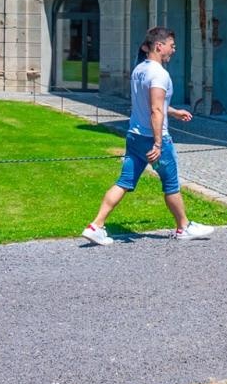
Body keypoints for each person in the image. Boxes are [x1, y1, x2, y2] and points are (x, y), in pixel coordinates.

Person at [83, 26, 214, 246]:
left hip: (133, 136)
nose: (173, 50)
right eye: (171, 46)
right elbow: (155, 110)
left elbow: (154, 104)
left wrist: (173, 111)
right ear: (159, 46)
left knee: (124, 182)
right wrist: (158, 143)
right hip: (151, 138)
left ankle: (96, 225)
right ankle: (183, 227)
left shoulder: (140, 70)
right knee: (171, 184)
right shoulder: (159, 73)